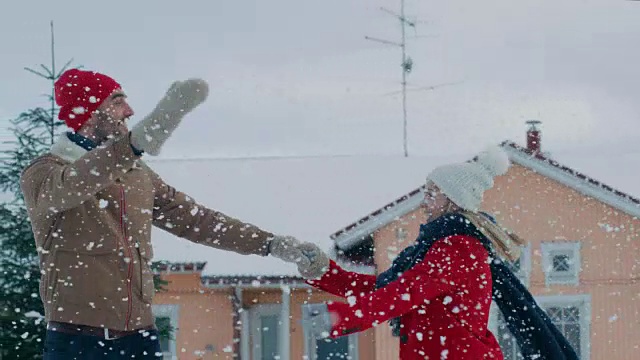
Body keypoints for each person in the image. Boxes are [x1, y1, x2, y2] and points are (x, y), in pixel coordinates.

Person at [20, 68, 325, 359]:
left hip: (139, 338)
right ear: (89, 111)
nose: (129, 111)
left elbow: (197, 220)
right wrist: (135, 143)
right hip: (78, 342)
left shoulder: (136, 173)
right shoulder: (45, 173)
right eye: (117, 101)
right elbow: (72, 186)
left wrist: (270, 244)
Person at [297, 146, 580, 360]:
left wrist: (340, 317)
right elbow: (391, 289)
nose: (425, 202)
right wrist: (324, 273)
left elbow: (403, 293)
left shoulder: (459, 248)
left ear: (453, 200)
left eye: (433, 193)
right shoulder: (434, 249)